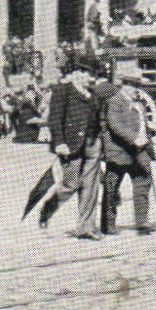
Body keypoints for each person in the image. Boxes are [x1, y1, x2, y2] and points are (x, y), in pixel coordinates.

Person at [47, 57, 107, 240]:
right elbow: (55, 119)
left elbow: (99, 118)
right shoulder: (63, 91)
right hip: (71, 145)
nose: (92, 78)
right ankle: (48, 207)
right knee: (71, 184)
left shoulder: (93, 94)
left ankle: (86, 227)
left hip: (92, 143)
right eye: (89, 74)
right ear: (77, 73)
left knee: (91, 186)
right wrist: (59, 142)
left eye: (94, 75)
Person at [100, 72, 156, 235]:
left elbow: (141, 123)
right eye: (134, 86)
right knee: (111, 188)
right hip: (119, 152)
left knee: (142, 186)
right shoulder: (114, 101)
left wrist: (149, 130)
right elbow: (115, 124)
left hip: (140, 151)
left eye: (138, 86)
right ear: (124, 86)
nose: (137, 90)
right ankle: (108, 224)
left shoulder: (138, 103)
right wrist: (133, 139)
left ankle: (142, 223)